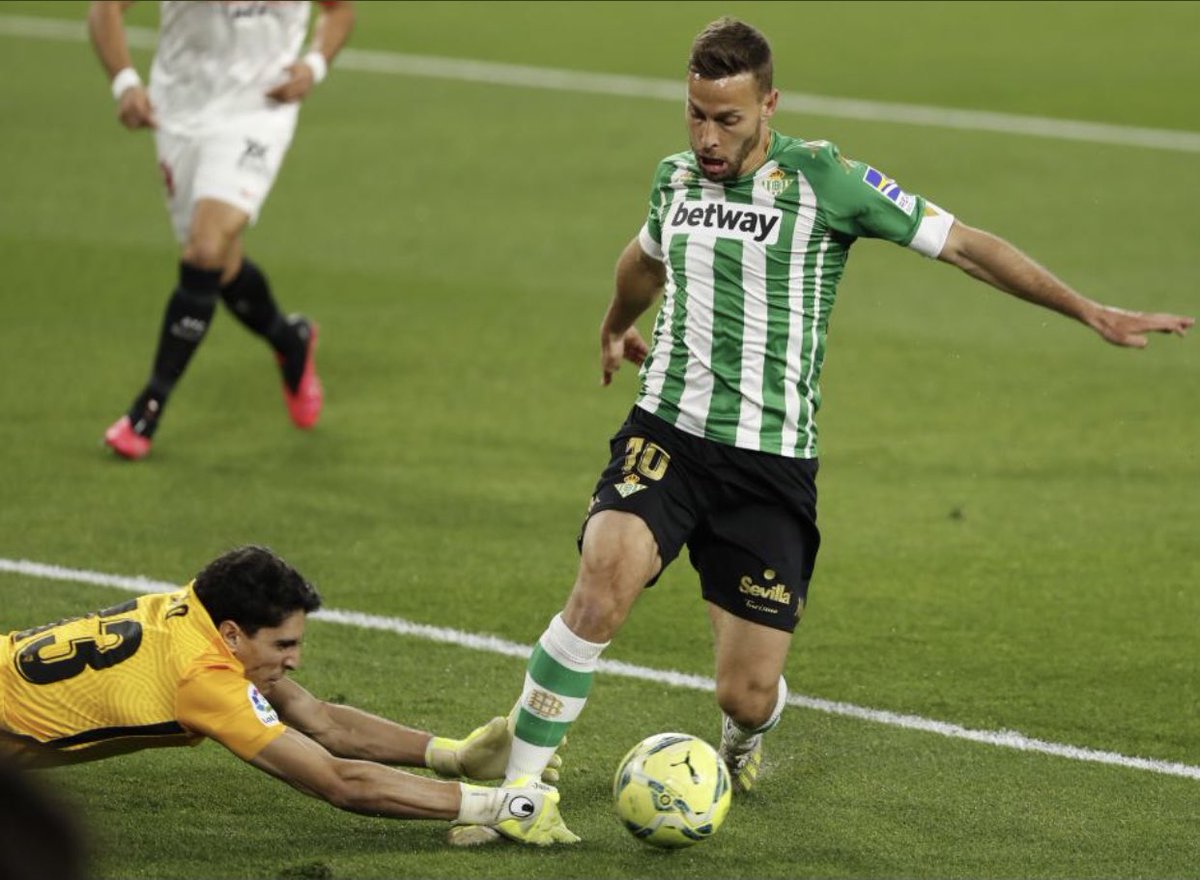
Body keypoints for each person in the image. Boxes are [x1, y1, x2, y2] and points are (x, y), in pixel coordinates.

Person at [456, 17, 1195, 845]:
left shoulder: (827, 180)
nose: (707, 137)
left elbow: (966, 248)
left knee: (745, 692)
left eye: (727, 119)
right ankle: (519, 790)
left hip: (771, 467)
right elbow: (644, 258)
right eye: (695, 114)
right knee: (602, 586)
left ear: (770, 104)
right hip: (666, 433)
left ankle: (746, 738)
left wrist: (1087, 309)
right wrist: (611, 325)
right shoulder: (673, 180)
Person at [0, 545, 577, 845]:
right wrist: (501, 805)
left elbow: (318, 719)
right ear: (232, 633)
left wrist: (452, 755)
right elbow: (337, 781)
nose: (294, 659)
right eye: (283, 644)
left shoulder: (192, 613)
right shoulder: (203, 679)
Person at [87, 0, 356, 460]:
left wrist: (313, 66)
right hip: (178, 110)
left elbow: (339, 9)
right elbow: (106, 8)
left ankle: (147, 410)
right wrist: (125, 83)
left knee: (205, 249)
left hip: (260, 109)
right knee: (219, 263)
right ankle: (289, 340)